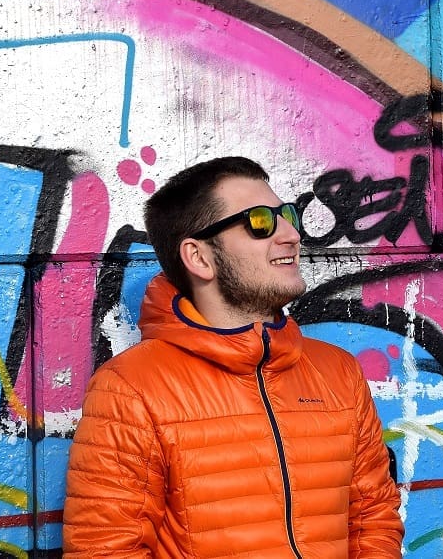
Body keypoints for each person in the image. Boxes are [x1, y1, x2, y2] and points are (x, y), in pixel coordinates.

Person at [63, 156, 404, 557]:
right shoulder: (131, 388)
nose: (291, 234)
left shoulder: (338, 372)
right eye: (260, 222)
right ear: (199, 257)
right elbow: (105, 550)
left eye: (287, 215)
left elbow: (374, 517)